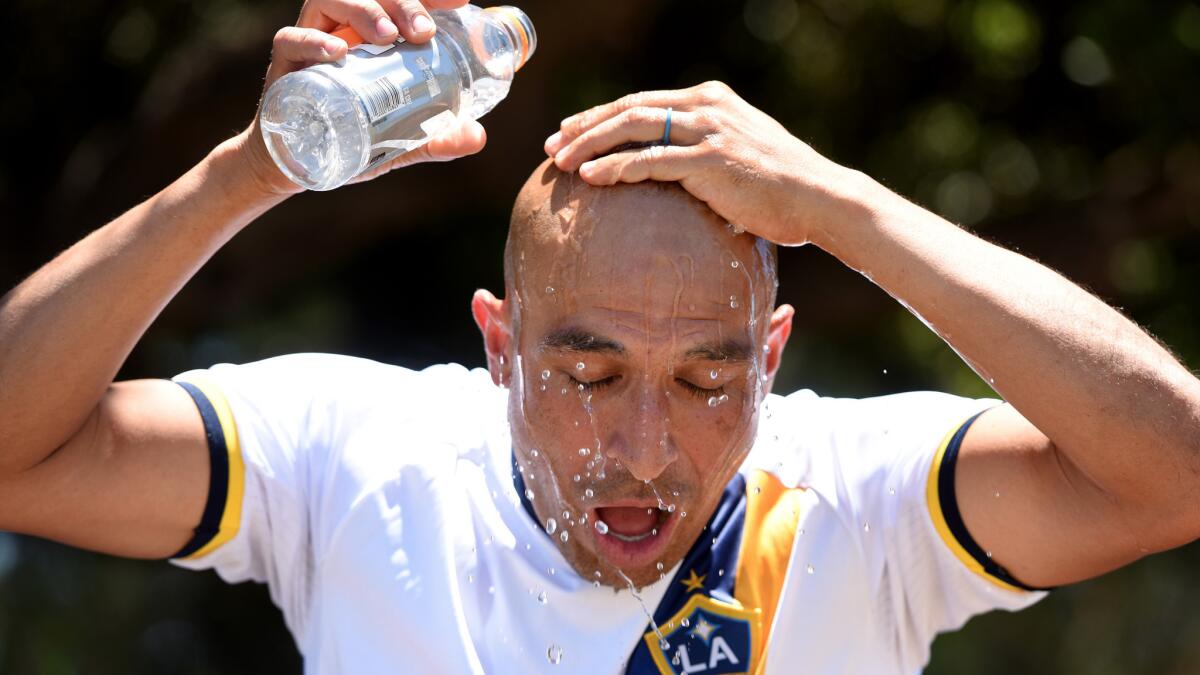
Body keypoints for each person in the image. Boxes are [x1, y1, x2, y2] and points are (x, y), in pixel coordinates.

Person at [2, 0, 1199, 673]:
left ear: (772, 358)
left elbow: (1176, 474)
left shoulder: (857, 499)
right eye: (587, 372)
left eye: (703, 380)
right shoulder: (348, 458)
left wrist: (853, 209)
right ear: (498, 346)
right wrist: (245, 175)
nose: (641, 446)